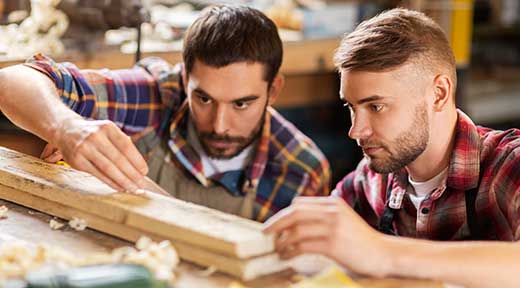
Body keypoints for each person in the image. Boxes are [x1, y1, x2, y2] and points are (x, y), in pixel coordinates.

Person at [264, 8, 520, 288]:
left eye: (376, 107)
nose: (356, 131)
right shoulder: (373, 179)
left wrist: (383, 252)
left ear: (439, 94)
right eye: (352, 107)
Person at [0, 5, 331, 222]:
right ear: (185, 79)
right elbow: (11, 80)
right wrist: (66, 127)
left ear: (273, 90)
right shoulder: (154, 95)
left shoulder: (301, 172)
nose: (220, 124)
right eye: (203, 98)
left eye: (241, 104)